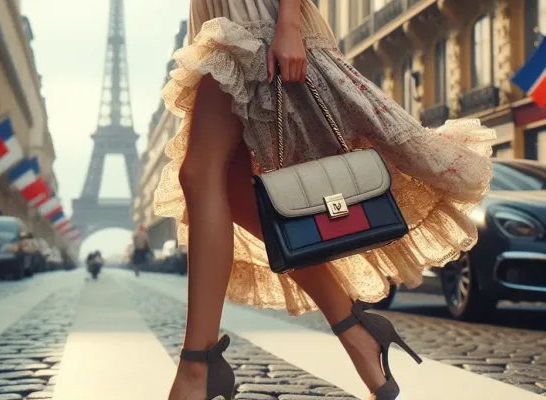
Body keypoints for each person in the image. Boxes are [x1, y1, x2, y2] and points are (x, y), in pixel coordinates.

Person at [155, 1, 494, 399]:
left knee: (199, 173)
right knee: (233, 193)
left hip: (254, 19)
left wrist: (289, 22)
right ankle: (354, 328)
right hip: (222, 19)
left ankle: (198, 365)